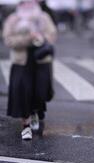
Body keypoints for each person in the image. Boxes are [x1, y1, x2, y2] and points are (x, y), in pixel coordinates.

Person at [3, 0, 57, 140]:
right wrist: (28, 38)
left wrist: (42, 37)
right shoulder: (14, 19)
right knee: (23, 95)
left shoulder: (43, 17)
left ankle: (35, 112)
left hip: (40, 61)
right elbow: (8, 40)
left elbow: (52, 34)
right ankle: (25, 126)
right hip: (21, 63)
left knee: (40, 93)